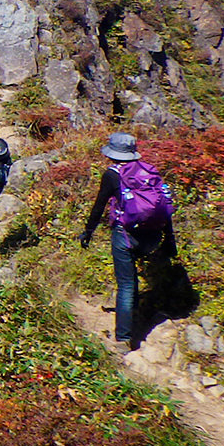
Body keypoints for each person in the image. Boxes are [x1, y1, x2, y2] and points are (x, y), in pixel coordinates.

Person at [80, 133, 177, 347]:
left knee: (126, 284)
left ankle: (124, 340)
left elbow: (99, 206)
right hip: (153, 237)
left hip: (125, 236)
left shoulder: (112, 174)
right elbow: (163, 206)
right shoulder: (150, 171)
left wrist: (88, 231)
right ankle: (136, 318)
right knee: (131, 281)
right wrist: (170, 240)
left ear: (112, 153)